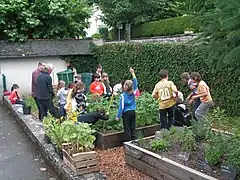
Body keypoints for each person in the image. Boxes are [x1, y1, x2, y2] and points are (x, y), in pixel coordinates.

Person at [115, 68, 138, 141]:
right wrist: (132, 73)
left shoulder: (123, 96)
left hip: (126, 113)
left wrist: (118, 116)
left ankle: (128, 141)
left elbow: (121, 107)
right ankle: (134, 139)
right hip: (133, 111)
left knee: (127, 128)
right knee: (133, 126)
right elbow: (135, 81)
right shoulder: (133, 91)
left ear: (125, 87)